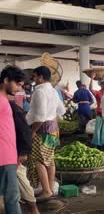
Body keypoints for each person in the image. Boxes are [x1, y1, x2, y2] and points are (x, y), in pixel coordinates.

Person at [5, 67, 42, 214]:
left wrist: (23, 151)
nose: (20, 88)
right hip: (8, 151)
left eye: (21, 85)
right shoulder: (6, 103)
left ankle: (34, 212)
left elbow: (25, 131)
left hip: (13, 152)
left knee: (20, 181)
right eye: (18, 84)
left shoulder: (12, 107)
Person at [26, 66, 65, 198]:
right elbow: (62, 111)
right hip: (53, 129)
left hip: (42, 130)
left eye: (35, 76)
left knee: (39, 160)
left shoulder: (40, 92)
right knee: (50, 160)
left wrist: (32, 131)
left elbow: (41, 117)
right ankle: (50, 188)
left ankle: (47, 191)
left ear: (41, 77)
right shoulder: (53, 91)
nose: (34, 79)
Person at [0, 66, 23, 214]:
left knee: (10, 196)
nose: (19, 88)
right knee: (11, 197)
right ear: (6, 80)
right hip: (3, 156)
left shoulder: (4, 100)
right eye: (17, 84)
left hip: (8, 154)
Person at [90, 76, 104, 148]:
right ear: (100, 84)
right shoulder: (98, 93)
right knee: (98, 131)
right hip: (99, 114)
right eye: (103, 84)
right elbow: (91, 89)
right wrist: (92, 78)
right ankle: (98, 146)